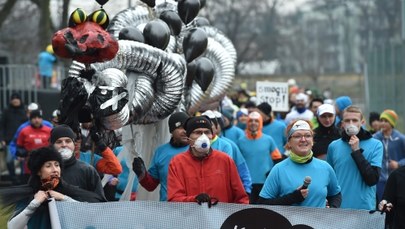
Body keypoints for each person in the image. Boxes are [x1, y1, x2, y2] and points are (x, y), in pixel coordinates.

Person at [0, 147, 105, 229]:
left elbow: (89, 215)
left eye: (57, 165)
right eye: (48, 166)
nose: (55, 169)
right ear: (38, 171)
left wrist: (64, 198)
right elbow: (12, 226)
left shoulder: (68, 191)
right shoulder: (31, 194)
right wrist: (35, 203)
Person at [258, 120, 341, 208]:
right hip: (289, 222)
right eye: (297, 136)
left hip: (319, 221)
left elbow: (335, 195)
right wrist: (292, 198)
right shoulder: (278, 169)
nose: (303, 139)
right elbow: (262, 204)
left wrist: (332, 209)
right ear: (289, 143)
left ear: (312, 141)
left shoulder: (325, 167)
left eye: (308, 136)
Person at [167, 116, 249, 205]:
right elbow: (174, 199)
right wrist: (195, 199)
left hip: (221, 218)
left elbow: (241, 197)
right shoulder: (177, 163)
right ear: (188, 138)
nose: (203, 137)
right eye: (197, 132)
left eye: (207, 132)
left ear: (212, 135)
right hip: (190, 217)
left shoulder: (225, 160)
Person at [327, 105, 383, 210]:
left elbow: (372, 179)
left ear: (362, 123)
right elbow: (330, 179)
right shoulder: (333, 146)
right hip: (340, 208)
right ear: (342, 124)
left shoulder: (376, 145)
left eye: (355, 120)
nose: (351, 124)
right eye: (347, 120)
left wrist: (357, 151)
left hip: (364, 209)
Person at [132, 111, 190, 201]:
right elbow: (151, 185)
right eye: (180, 127)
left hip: (193, 208)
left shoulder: (196, 150)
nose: (185, 131)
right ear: (172, 130)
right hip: (167, 209)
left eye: (187, 127)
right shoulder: (161, 151)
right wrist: (141, 174)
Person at [237, 111, 283, 204]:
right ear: (247, 123)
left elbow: (278, 159)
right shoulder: (240, 141)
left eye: (256, 121)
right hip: (247, 184)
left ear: (260, 123)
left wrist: (271, 174)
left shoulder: (268, 139)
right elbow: (237, 163)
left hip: (265, 183)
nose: (253, 123)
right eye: (251, 121)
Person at [50, 125, 106, 199]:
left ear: (74, 144)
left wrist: (67, 196)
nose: (64, 145)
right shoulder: (44, 170)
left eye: (68, 141)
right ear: (52, 145)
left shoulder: (87, 170)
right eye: (59, 142)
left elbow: (99, 200)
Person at [373, 109, 405, 201]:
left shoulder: (400, 138)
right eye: (381, 120)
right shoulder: (375, 138)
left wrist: (399, 164)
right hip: (380, 180)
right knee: (381, 204)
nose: (383, 123)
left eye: (386, 121)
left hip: (397, 179)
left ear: (392, 123)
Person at [16, 110, 52, 183]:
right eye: (34, 118)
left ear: (42, 119)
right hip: (29, 165)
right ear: (30, 119)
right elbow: (19, 146)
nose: (36, 120)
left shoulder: (49, 130)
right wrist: (20, 155)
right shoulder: (24, 131)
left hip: (46, 163)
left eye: (39, 117)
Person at [0, 92, 27, 184]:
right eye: (13, 99)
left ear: (20, 100)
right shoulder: (6, 111)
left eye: (17, 98)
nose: (15, 100)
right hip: (9, 140)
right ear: (11, 100)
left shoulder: (24, 111)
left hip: (22, 140)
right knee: (9, 160)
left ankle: (22, 178)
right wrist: (2, 139)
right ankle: (13, 178)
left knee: (22, 160)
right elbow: (2, 126)